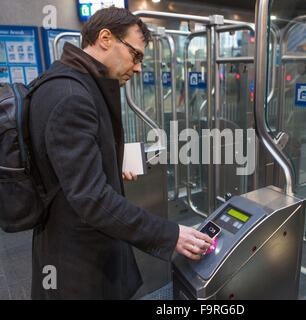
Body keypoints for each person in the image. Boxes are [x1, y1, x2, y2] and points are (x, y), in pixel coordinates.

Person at [28, 7, 214, 299]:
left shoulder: (66, 83)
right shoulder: (72, 98)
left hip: (77, 251)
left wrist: (108, 159)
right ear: (105, 39)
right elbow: (90, 198)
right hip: (79, 267)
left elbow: (63, 166)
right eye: (136, 54)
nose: (138, 67)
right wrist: (171, 234)